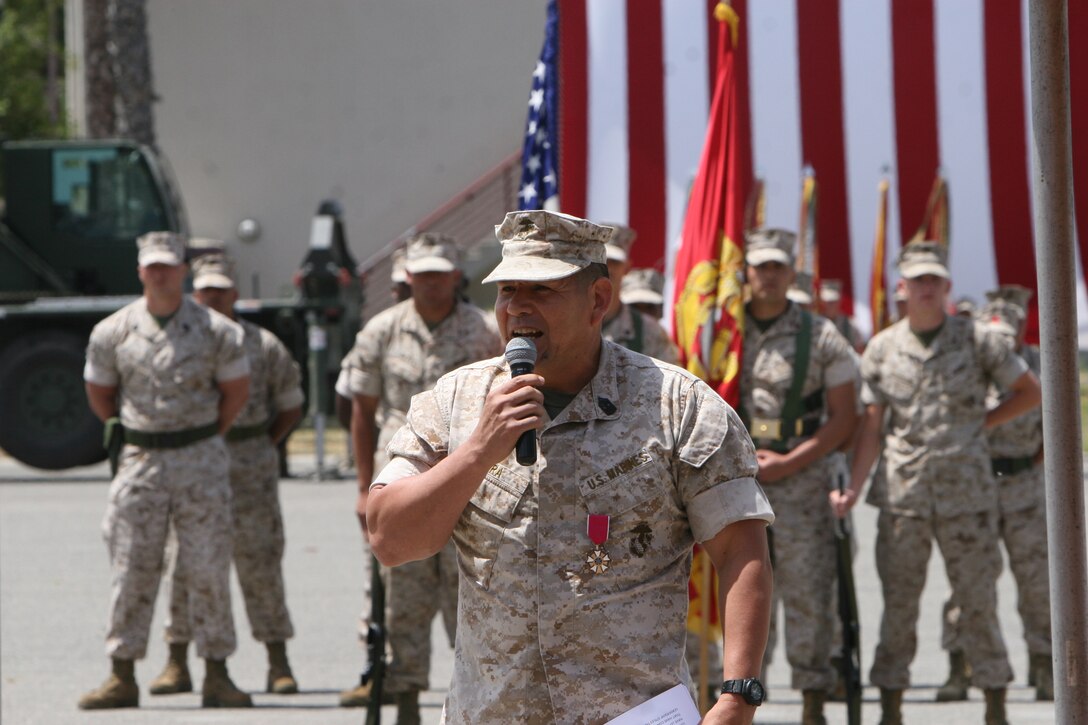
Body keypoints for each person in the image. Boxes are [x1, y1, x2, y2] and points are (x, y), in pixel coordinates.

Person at [367, 209, 774, 724]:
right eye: (507, 290)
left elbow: (739, 547)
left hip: (632, 714)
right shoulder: (456, 402)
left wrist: (738, 695)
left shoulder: (678, 404)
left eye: (541, 290)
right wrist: (477, 451)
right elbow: (391, 539)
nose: (517, 308)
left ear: (598, 300)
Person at [829, 241, 1042, 725]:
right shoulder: (883, 347)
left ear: (947, 287)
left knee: (978, 603)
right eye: (917, 280)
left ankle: (994, 704)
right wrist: (854, 488)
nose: (926, 289)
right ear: (902, 288)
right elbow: (872, 427)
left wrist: (980, 425)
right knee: (898, 607)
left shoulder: (977, 339)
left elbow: (1030, 391)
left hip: (968, 498)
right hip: (904, 498)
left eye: (935, 280)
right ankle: (891, 706)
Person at [79, 232, 252, 709]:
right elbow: (101, 395)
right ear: (140, 272)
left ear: (183, 271)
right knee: (131, 567)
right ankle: (122, 673)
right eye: (152, 266)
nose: (160, 274)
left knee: (208, 567)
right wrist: (142, 433)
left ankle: (217, 673)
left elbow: (235, 392)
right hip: (140, 461)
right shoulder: (112, 331)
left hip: (200, 458)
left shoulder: (218, 330)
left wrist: (198, 434)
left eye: (168, 266)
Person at [338, 233, 502, 722]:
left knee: (471, 590)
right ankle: (405, 699)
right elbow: (361, 412)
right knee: (402, 597)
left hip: (471, 477)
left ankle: (477, 700)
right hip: (404, 473)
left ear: (457, 276)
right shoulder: (381, 330)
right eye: (422, 274)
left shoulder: (487, 330)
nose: (431, 283)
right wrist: (364, 486)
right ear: (408, 277)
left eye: (440, 273)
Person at [148, 253, 305, 697]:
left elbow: (291, 404)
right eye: (204, 291)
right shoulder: (177, 341)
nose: (213, 298)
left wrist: (261, 443)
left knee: (259, 561)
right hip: (192, 462)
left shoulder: (263, 344)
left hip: (249, 462)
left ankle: (278, 661)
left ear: (235, 294)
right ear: (192, 294)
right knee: (182, 562)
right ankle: (176, 661)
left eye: (220, 290)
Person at [741, 229, 859, 725]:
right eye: (760, 266)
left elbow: (845, 417)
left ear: (792, 273)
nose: (769, 276)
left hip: (802, 477)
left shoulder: (822, 334)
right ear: (745, 272)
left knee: (809, 592)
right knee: (741, 588)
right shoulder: (722, 333)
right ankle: (739, 694)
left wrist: (790, 463)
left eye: (777, 267)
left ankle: (813, 700)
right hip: (736, 479)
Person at [936, 285, 1052, 703]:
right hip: (976, 484)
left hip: (1024, 484)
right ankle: (960, 665)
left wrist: (1029, 465)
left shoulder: (1042, 366)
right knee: (968, 579)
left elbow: (1056, 432)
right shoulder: (974, 365)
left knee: (1038, 579)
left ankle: (1045, 665)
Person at [600, 223, 679, 364]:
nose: (608, 267)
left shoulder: (649, 331)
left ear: (627, 268)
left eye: (615, 262)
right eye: (602, 259)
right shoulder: (570, 320)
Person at [818, 280, 864, 352]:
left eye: (833, 302)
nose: (830, 306)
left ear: (839, 301)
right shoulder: (817, 323)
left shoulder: (850, 325)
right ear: (822, 302)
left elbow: (859, 351)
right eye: (827, 302)